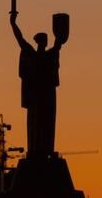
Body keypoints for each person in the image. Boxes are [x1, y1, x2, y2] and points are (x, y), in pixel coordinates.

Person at [10, 11, 63, 159]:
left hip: (45, 98)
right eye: (42, 41)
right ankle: (36, 149)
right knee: (36, 124)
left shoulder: (47, 55)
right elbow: (20, 39)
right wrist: (13, 24)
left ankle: (44, 148)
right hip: (37, 98)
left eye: (43, 42)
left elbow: (58, 44)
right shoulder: (33, 54)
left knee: (46, 123)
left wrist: (13, 24)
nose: (42, 44)